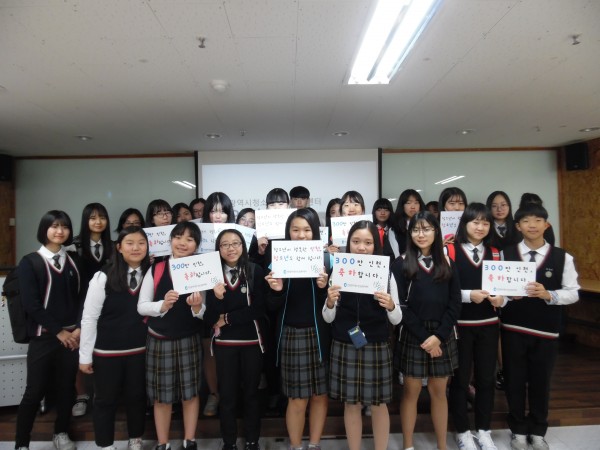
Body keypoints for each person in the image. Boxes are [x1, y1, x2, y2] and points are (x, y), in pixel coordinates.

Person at [501, 203, 579, 450]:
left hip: (546, 331)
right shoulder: (505, 254)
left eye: (537, 220)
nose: (532, 225)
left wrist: (549, 295)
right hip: (513, 328)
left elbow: (573, 293)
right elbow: (496, 289)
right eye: (526, 221)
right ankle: (517, 430)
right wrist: (506, 295)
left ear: (547, 225)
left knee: (541, 382)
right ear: (518, 226)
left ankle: (538, 430)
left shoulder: (562, 257)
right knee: (514, 380)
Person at [324, 220, 401, 450]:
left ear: (376, 245)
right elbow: (328, 317)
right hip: (345, 342)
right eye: (356, 241)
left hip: (376, 343)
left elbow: (397, 319)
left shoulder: (386, 272)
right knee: (351, 404)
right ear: (348, 243)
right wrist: (330, 302)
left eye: (368, 242)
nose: (361, 247)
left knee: (379, 404)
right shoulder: (339, 270)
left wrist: (390, 306)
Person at [391, 211, 461, 450]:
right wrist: (425, 338)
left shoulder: (448, 262)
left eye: (427, 229)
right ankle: (408, 445)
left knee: (439, 392)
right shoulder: (401, 263)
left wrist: (438, 336)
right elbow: (400, 306)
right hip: (414, 333)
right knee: (410, 392)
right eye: (416, 230)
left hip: (442, 333)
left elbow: (455, 303)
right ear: (410, 233)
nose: (421, 234)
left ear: (436, 232)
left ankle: (442, 445)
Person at [15, 210, 82, 450]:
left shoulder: (74, 261)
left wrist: (78, 328)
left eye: (64, 226)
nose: (59, 231)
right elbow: (31, 304)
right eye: (54, 226)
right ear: (44, 229)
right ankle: (21, 443)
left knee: (66, 389)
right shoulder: (30, 262)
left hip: (72, 337)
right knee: (34, 391)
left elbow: (83, 298)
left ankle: (61, 432)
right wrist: (58, 332)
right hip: (44, 337)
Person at [79, 227, 150, 450]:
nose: (136, 248)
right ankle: (105, 445)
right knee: (104, 400)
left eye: (141, 243)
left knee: (137, 397)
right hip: (107, 352)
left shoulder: (152, 274)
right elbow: (89, 318)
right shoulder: (103, 276)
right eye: (130, 243)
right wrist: (85, 356)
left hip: (140, 350)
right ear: (119, 247)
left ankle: (135, 438)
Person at [264, 208, 330, 450]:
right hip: (292, 334)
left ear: (315, 232)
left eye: (307, 230)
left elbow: (333, 305)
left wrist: (323, 288)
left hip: (320, 335)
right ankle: (295, 445)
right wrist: (277, 291)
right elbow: (270, 307)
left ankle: (314, 444)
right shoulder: (278, 261)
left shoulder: (327, 261)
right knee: (297, 398)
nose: (301, 235)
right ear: (288, 232)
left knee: (320, 395)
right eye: (295, 230)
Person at [137, 222, 205, 450]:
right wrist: (162, 305)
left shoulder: (201, 268)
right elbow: (142, 306)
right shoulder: (156, 269)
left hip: (189, 338)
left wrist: (197, 307)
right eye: (178, 237)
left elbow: (205, 312)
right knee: (161, 395)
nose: (182, 243)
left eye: (189, 239)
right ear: (170, 240)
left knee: (190, 393)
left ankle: (189, 440)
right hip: (159, 338)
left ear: (197, 245)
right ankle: (163, 443)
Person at [447, 203, 505, 450]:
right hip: (459, 326)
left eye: (485, 223)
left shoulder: (496, 253)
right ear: (465, 224)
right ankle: (462, 431)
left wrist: (502, 299)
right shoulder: (450, 250)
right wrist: (468, 295)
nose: (480, 227)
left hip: (489, 325)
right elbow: (444, 289)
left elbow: (505, 289)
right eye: (475, 222)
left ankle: (484, 430)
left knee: (486, 379)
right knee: (460, 380)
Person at [204, 229, 266, 450]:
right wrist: (217, 298)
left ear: (243, 246)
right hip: (224, 344)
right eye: (225, 244)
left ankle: (252, 441)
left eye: (235, 243)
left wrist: (228, 318)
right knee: (227, 395)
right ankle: (229, 442)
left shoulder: (254, 271)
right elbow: (210, 318)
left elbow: (258, 309)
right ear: (218, 249)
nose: (231, 248)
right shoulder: (211, 274)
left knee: (251, 394)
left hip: (251, 342)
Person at [72, 202, 114, 417]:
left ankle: (102, 393)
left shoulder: (113, 246)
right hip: (79, 305)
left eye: (102, 217)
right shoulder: (74, 247)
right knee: (80, 348)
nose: (98, 222)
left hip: (108, 307)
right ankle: (82, 395)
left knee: (102, 350)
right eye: (93, 218)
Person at [201, 192, 237, 416]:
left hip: (233, 300)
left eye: (222, 211)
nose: (217, 215)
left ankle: (232, 394)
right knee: (209, 348)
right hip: (205, 296)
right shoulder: (199, 235)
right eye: (213, 211)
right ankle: (214, 394)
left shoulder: (237, 235)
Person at [392, 189, 426, 256]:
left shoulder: (428, 226)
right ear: (402, 206)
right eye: (408, 203)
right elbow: (396, 256)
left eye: (416, 203)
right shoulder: (394, 229)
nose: (413, 207)